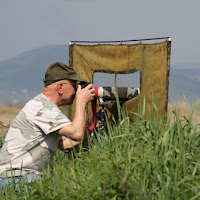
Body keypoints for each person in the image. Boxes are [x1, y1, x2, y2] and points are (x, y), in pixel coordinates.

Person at [0, 62, 95, 189]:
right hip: (13, 178)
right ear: (60, 87)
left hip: (20, 177)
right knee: (64, 188)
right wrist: (81, 101)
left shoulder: (47, 109)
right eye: (74, 86)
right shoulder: (42, 108)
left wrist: (88, 117)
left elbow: (67, 145)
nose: (76, 90)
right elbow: (76, 133)